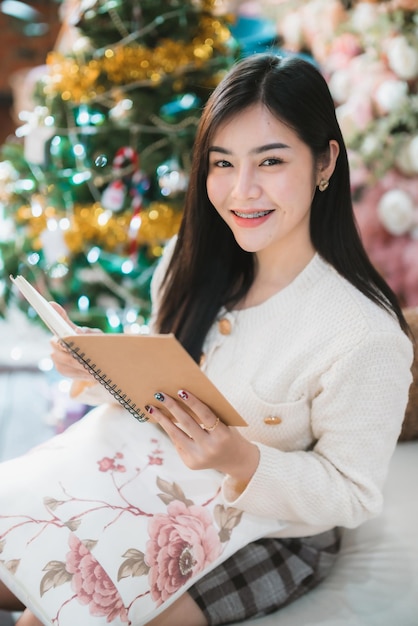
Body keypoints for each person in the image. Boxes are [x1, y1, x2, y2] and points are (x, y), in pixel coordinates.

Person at [0, 53, 413, 626]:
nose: (242, 191)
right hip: (147, 469)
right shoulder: (189, 260)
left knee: (54, 614)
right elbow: (165, 392)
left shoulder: (364, 334)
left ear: (325, 162)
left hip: (272, 527)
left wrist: (243, 460)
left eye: (270, 160)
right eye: (223, 163)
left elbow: (353, 494)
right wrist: (105, 367)